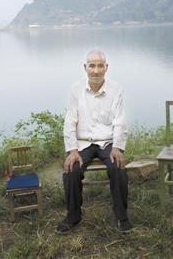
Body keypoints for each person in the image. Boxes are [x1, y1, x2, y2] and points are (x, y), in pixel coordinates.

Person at [55, 50, 133, 234]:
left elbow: (120, 121)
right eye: (92, 65)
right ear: (85, 68)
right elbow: (70, 121)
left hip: (107, 143)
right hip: (83, 143)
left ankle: (122, 216)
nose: (96, 70)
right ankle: (73, 216)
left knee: (118, 168)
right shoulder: (76, 89)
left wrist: (117, 147)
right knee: (71, 170)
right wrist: (72, 150)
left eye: (100, 65)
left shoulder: (116, 90)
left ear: (106, 68)